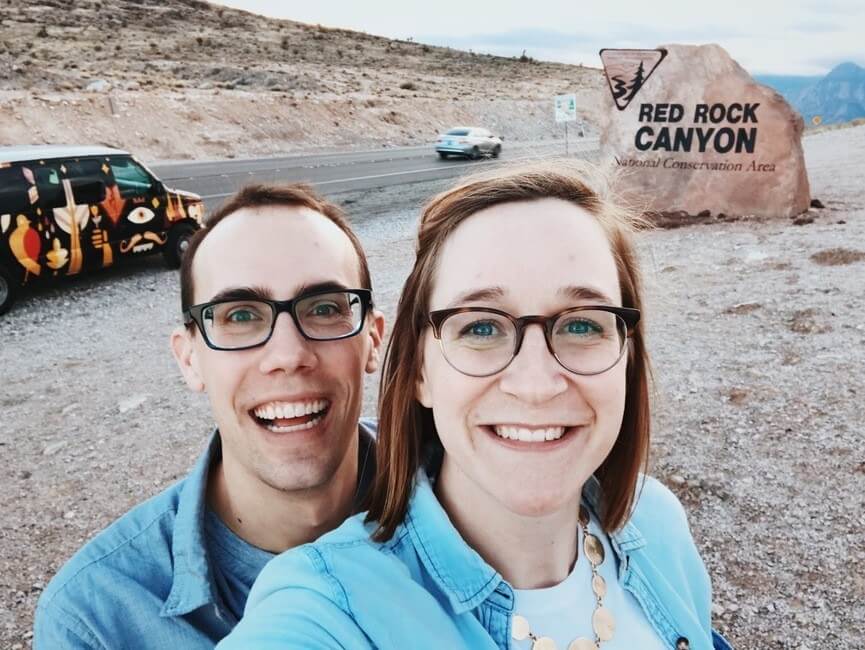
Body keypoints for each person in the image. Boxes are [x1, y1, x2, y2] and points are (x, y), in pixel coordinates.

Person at [219, 162, 732, 650]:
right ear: (420, 370)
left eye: (581, 324)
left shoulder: (657, 523)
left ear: (627, 355)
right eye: (481, 327)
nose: (536, 385)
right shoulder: (327, 607)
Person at [34, 183, 385, 648]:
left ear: (374, 340)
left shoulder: (469, 495)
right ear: (189, 359)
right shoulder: (95, 620)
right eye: (240, 316)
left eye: (324, 309)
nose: (287, 354)